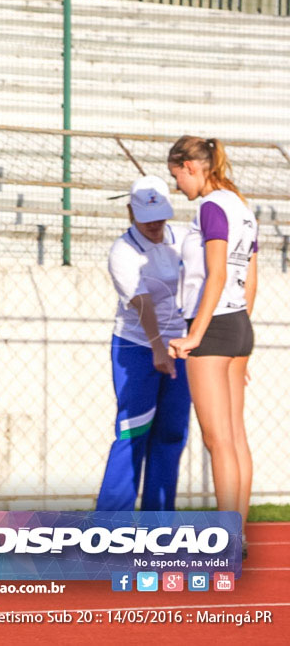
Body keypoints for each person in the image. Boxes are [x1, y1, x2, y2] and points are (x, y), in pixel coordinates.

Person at [166, 136, 258, 557]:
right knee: (235, 438)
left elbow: (216, 274)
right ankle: (236, 536)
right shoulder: (240, 205)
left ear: (189, 166)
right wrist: (242, 331)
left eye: (176, 176)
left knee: (218, 440)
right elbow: (250, 277)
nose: (177, 187)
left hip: (215, 326)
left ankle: (226, 540)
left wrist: (196, 334)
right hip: (237, 324)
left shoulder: (211, 206)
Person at [97, 176, 191, 512]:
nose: (154, 224)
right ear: (130, 212)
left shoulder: (182, 240)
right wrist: (157, 349)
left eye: (160, 215)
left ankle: (159, 524)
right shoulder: (122, 250)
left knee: (171, 433)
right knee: (133, 431)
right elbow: (142, 302)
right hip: (137, 346)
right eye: (146, 217)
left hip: (181, 347)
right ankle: (111, 527)